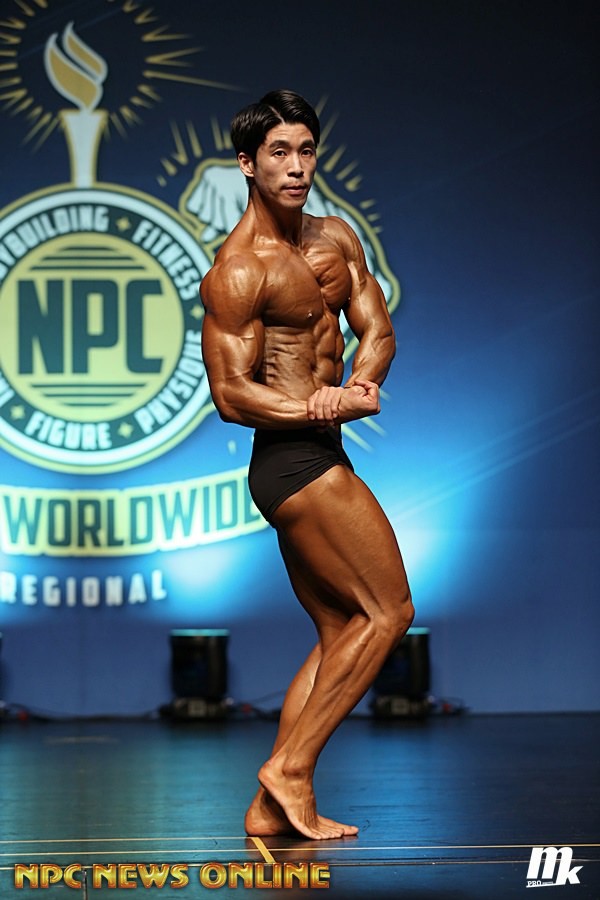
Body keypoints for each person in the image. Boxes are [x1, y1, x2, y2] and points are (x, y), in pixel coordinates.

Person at [200, 90, 414, 841]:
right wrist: (318, 409)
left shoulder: (337, 237)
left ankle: (270, 809)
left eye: (305, 151)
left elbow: (376, 328)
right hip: (292, 462)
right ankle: (289, 769)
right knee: (389, 612)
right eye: (278, 154)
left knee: (339, 630)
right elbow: (231, 395)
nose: (296, 167)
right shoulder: (238, 270)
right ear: (247, 164)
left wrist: (361, 382)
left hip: (320, 448)